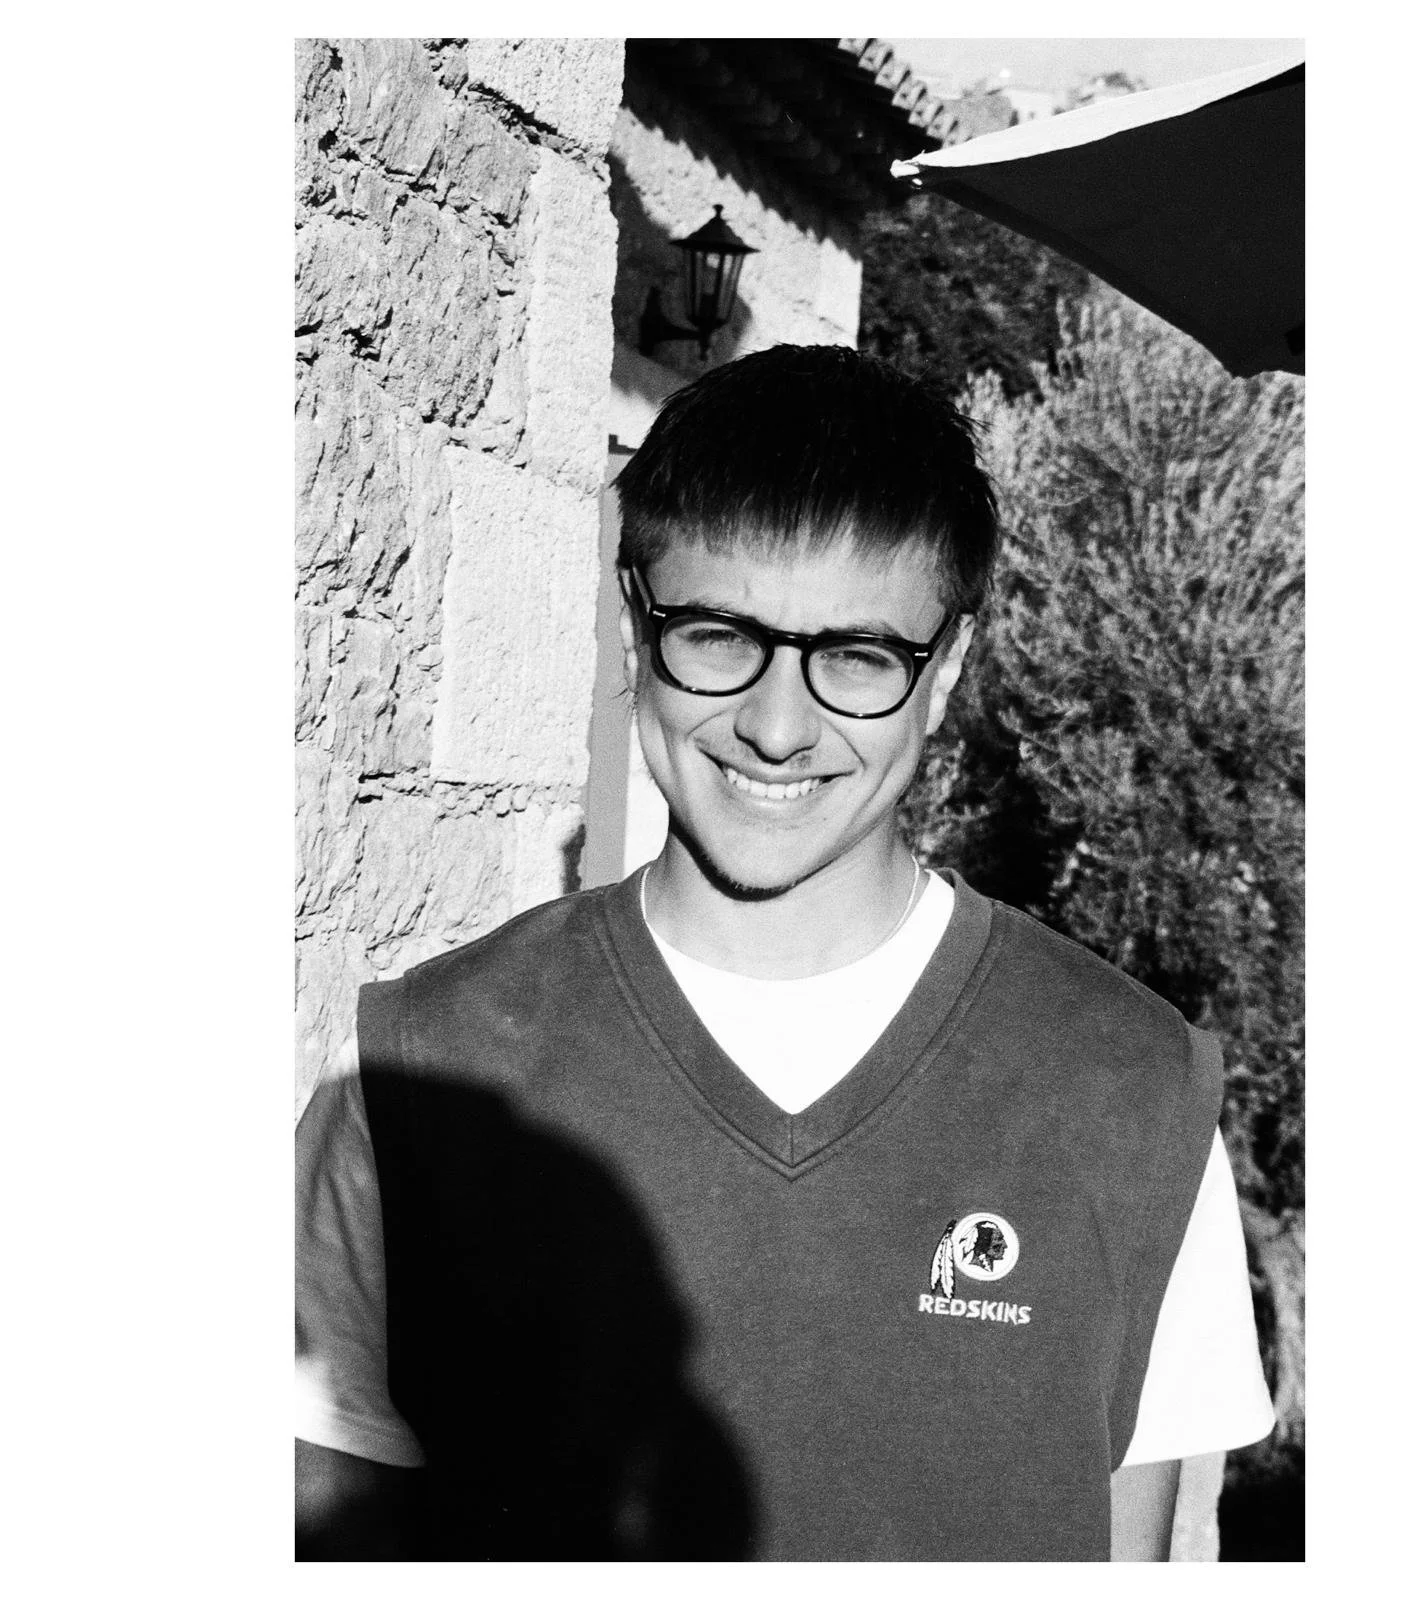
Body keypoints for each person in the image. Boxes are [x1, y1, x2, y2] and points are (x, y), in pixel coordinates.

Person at [295, 344, 1274, 1561]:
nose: (774, 723)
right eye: (716, 635)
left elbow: (1139, 1552)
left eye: (856, 658)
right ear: (634, 623)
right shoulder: (414, 1077)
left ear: (946, 670)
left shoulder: (1133, 1091)